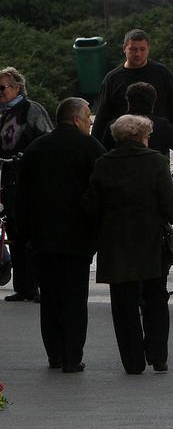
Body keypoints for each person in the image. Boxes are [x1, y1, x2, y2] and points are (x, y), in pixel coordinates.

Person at [83, 114, 173, 374]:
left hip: (115, 243)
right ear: (141, 137)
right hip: (150, 241)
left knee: (123, 304)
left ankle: (133, 361)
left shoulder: (103, 164)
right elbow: (170, 205)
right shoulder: (157, 162)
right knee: (156, 297)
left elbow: (92, 205)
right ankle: (158, 354)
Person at [17, 98, 105, 371]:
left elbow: (21, 196)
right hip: (78, 237)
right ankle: (71, 356)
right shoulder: (91, 147)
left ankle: (54, 354)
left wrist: (26, 233)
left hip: (42, 238)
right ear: (77, 119)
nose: (90, 122)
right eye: (88, 117)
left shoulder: (36, 148)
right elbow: (101, 189)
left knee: (51, 298)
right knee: (75, 299)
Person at [0, 66, 54, 303]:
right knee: (14, 231)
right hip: (8, 179)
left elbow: (47, 139)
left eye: (2, 87)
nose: (0, 92)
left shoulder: (31, 109)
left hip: (30, 179)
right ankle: (24, 287)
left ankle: (42, 285)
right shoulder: (2, 113)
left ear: (17, 87)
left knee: (33, 233)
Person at [91, 29, 173, 148]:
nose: (138, 54)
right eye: (133, 49)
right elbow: (103, 114)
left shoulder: (161, 73)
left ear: (148, 48)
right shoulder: (113, 78)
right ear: (124, 48)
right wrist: (96, 145)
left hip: (156, 139)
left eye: (142, 49)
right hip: (123, 143)